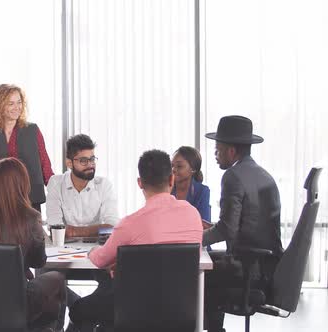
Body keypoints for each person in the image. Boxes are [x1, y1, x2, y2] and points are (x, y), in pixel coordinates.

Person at [67, 150, 203, 331]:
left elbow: (100, 260)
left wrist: (95, 252)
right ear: (171, 180)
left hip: (133, 312)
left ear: (140, 183)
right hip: (179, 313)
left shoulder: (129, 224)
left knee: (79, 309)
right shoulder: (193, 215)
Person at [203, 115, 282, 332]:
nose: (215, 155)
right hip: (268, 266)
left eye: (217, 150)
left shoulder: (233, 176)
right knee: (206, 260)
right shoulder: (264, 175)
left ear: (231, 151)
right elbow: (245, 223)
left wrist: (192, 238)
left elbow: (227, 229)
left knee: (195, 276)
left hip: (249, 271)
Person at [0, 157, 66, 330]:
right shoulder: (30, 217)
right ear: (21, 185)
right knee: (57, 279)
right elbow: (39, 262)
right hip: (18, 301)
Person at [45, 134, 118, 328]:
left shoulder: (104, 185)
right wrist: (93, 230)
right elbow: (55, 228)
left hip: (97, 255)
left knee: (114, 282)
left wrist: (73, 231)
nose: (90, 165)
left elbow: (111, 226)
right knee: (48, 278)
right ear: (69, 162)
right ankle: (69, 316)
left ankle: (80, 317)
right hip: (61, 255)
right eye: (83, 160)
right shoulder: (56, 183)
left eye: (92, 159)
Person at [0, 84, 54, 211]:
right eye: (11, 104)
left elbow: (46, 167)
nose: (17, 107)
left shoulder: (33, 130)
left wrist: (59, 197)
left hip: (30, 201)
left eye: (19, 102)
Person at [171, 146, 211, 225]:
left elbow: (203, 224)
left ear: (193, 169)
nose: (174, 169)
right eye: (172, 165)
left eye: (179, 166)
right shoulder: (166, 188)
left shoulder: (202, 191)